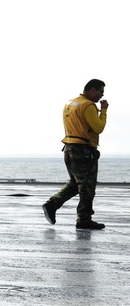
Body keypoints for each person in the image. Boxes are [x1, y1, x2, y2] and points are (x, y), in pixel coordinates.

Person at [42, 79, 109, 230]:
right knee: (87, 186)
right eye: (100, 92)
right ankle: (84, 219)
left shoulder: (71, 103)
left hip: (69, 148)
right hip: (83, 150)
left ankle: (52, 204)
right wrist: (103, 110)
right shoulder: (88, 105)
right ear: (92, 90)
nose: (101, 96)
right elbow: (98, 128)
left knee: (75, 183)